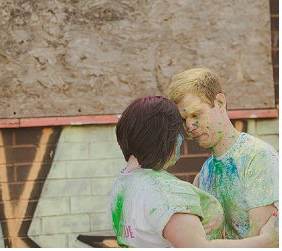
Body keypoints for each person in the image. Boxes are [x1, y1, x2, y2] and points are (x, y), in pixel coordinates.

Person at [109, 96, 277, 247]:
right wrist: (263, 241)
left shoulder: (123, 184)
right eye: (178, 130)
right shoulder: (166, 191)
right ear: (163, 137)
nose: (185, 134)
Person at [168, 67, 279, 238]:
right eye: (184, 119)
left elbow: (262, 240)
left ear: (219, 103)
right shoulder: (204, 173)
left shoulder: (257, 156)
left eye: (196, 114)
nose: (189, 126)